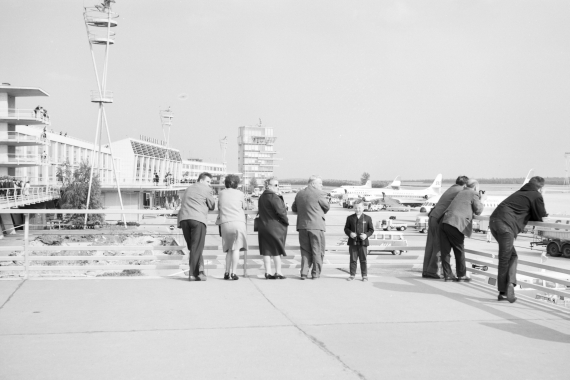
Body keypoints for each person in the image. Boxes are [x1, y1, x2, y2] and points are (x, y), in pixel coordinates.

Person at [490, 176, 548, 303]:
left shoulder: (519, 193)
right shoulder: (536, 195)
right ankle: (504, 292)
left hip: (494, 222)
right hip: (506, 225)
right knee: (505, 258)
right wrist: (540, 196)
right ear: (541, 187)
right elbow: (540, 216)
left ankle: (509, 283)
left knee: (512, 256)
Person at [422, 176, 469, 279]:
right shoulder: (461, 191)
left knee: (431, 245)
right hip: (439, 218)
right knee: (439, 245)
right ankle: (434, 271)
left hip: (433, 216)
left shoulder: (451, 188)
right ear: (465, 184)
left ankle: (427, 270)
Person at [439, 179, 485, 282]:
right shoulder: (473, 193)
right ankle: (461, 275)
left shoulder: (461, 192)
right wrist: (482, 199)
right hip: (456, 224)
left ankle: (448, 275)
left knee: (445, 251)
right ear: (475, 187)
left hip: (445, 221)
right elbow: (478, 211)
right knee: (459, 250)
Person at [177, 172, 216, 281]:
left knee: (194, 248)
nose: (209, 184)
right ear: (201, 180)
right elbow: (212, 205)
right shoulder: (206, 189)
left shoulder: (188, 188)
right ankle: (193, 274)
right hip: (197, 220)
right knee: (196, 248)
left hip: (184, 220)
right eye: (208, 182)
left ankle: (200, 272)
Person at [292, 175, 330, 280]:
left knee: (305, 251)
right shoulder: (318, 193)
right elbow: (327, 206)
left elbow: (294, 208)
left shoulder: (299, 194)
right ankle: (315, 273)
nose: (322, 185)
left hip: (302, 226)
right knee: (318, 250)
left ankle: (304, 273)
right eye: (320, 183)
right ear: (313, 184)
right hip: (316, 226)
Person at [217, 174, 247, 281]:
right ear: (236, 184)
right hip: (238, 222)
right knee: (236, 249)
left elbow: (219, 206)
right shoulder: (240, 194)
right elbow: (245, 206)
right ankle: (234, 273)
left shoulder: (221, 193)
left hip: (225, 223)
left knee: (229, 249)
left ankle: (226, 272)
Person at [257, 177, 289, 279]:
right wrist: (286, 222)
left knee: (266, 250)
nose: (277, 187)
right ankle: (278, 272)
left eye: (278, 185)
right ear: (269, 186)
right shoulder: (274, 197)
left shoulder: (261, 197)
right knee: (276, 250)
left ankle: (267, 272)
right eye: (275, 185)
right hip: (274, 227)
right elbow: (281, 212)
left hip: (263, 226)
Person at [344, 201, 374, 281]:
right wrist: (350, 233)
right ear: (354, 208)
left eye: (359, 208)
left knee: (363, 259)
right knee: (353, 259)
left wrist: (366, 235)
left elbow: (371, 230)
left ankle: (364, 275)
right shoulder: (350, 218)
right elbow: (346, 229)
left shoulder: (368, 218)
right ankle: (352, 275)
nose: (357, 209)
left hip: (363, 243)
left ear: (363, 208)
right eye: (356, 208)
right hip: (353, 242)